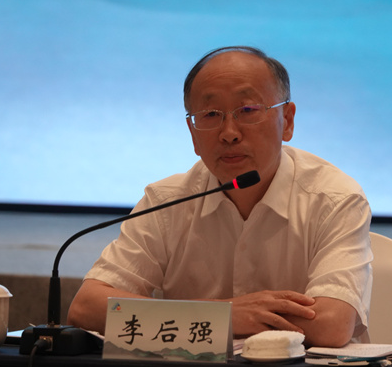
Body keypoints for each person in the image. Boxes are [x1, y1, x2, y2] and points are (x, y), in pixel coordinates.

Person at [67, 46, 373, 347]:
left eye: (248, 111)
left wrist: (198, 317)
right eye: (211, 114)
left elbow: (331, 324)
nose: (229, 133)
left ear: (287, 120)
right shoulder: (166, 202)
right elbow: (87, 307)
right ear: (193, 132)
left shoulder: (335, 199)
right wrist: (225, 314)